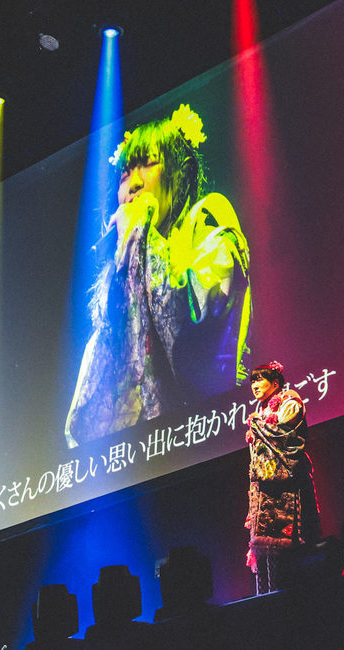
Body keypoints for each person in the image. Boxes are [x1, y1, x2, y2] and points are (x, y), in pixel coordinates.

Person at [65, 104, 252, 447]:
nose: (133, 183)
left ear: (177, 172)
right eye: (124, 174)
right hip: (130, 467)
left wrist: (143, 235)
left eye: (149, 164)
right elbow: (89, 411)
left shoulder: (206, 219)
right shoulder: (121, 270)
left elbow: (195, 338)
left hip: (199, 447)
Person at [244, 362, 319, 593]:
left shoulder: (290, 401)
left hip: (289, 485)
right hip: (265, 489)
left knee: (293, 552)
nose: (254, 385)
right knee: (266, 554)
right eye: (252, 381)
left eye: (259, 380)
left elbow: (287, 435)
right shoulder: (260, 412)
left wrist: (259, 427)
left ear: (275, 383)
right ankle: (268, 595)